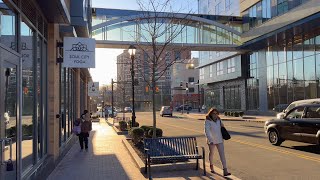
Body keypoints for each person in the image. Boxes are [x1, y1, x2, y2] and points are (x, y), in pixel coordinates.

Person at [204, 107, 231, 176]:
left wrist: (223, 127)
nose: (215, 115)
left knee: (222, 155)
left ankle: (225, 170)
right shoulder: (207, 121)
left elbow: (222, 127)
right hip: (211, 141)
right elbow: (207, 131)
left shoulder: (219, 120)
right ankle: (211, 165)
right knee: (212, 153)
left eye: (216, 113)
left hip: (219, 140)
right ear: (211, 114)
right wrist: (210, 140)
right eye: (214, 113)